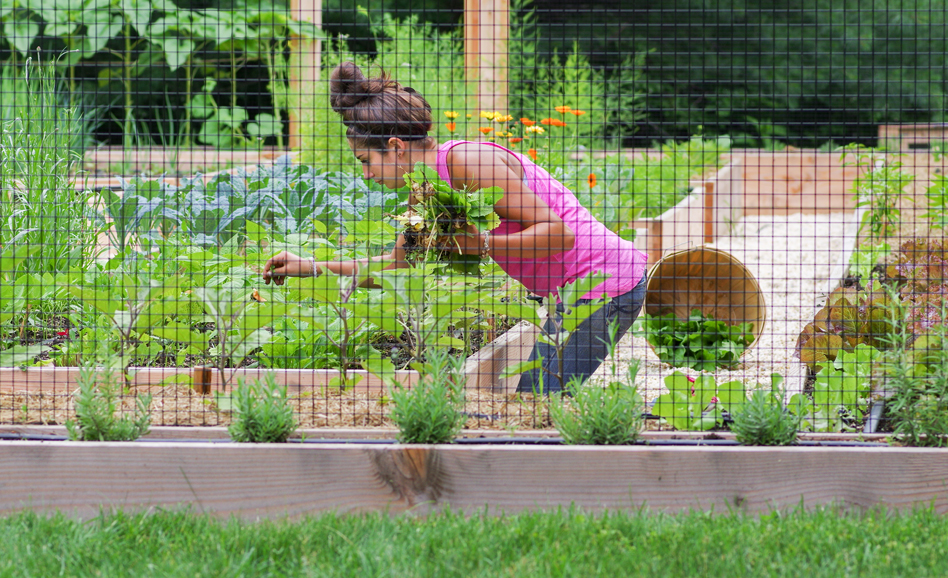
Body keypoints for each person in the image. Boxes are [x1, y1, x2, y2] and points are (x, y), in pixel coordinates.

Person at [262, 61, 649, 394]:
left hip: (606, 283)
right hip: (575, 292)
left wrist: (478, 244)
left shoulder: (466, 163)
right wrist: (311, 266)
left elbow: (558, 233)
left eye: (366, 161)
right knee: (538, 404)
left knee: (537, 408)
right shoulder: (423, 191)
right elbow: (398, 265)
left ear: (396, 147)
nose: (366, 175)